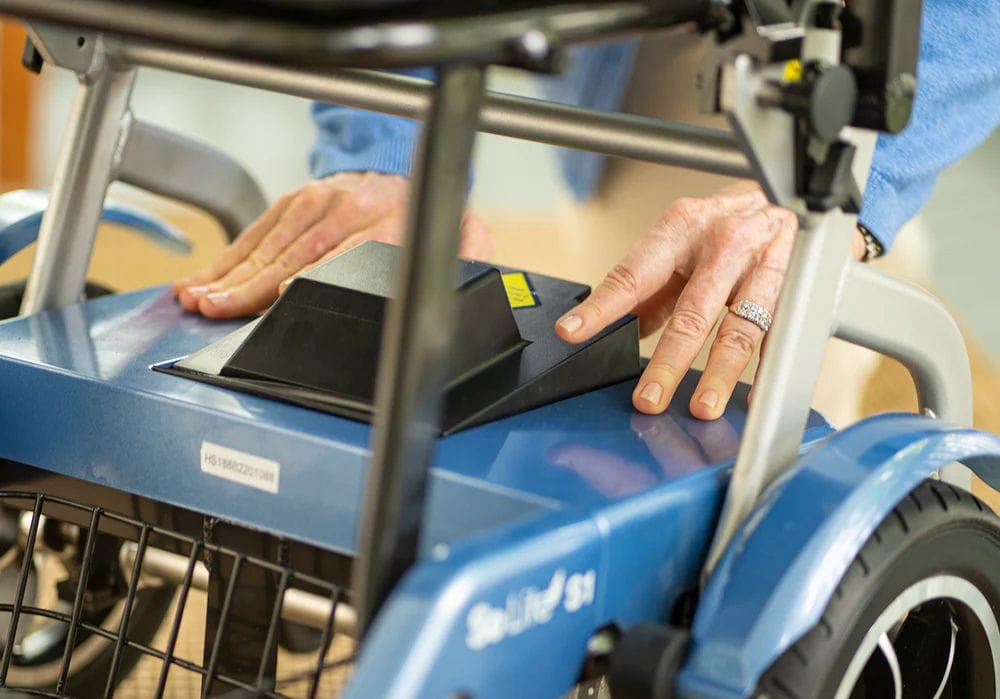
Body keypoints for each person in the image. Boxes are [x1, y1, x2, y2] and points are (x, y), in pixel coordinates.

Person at [174, 1, 1000, 422]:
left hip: (809, 34)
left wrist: (852, 177)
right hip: (638, 34)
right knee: (581, 382)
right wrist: (386, 157)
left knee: (716, 427)